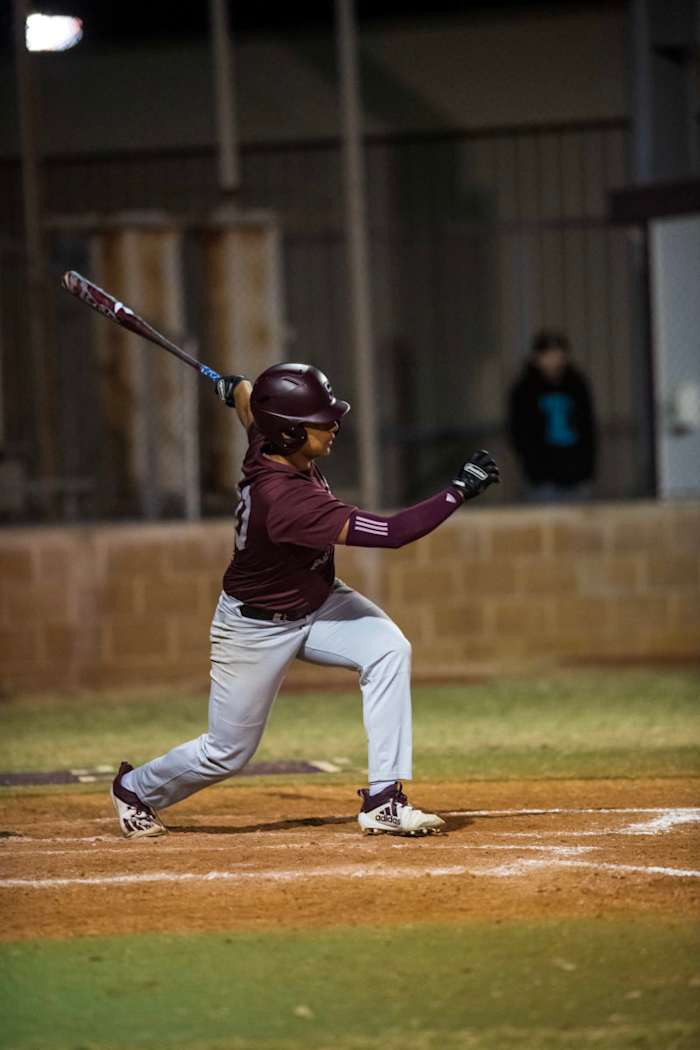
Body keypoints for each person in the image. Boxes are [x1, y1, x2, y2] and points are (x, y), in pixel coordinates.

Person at [110, 363, 500, 840]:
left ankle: (384, 801)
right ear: (291, 433)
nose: (333, 425)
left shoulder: (269, 445)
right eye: (321, 421)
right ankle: (136, 789)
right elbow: (395, 533)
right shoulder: (287, 501)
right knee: (227, 752)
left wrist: (234, 389)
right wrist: (458, 490)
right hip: (254, 627)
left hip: (317, 601)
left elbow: (249, 403)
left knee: (388, 649)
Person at [508, 330, 596, 502]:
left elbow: (588, 426)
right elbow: (519, 431)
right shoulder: (525, 389)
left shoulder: (577, 385)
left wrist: (587, 468)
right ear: (537, 357)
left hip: (576, 473)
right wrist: (532, 467)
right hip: (542, 477)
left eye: (558, 353)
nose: (554, 359)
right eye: (548, 354)